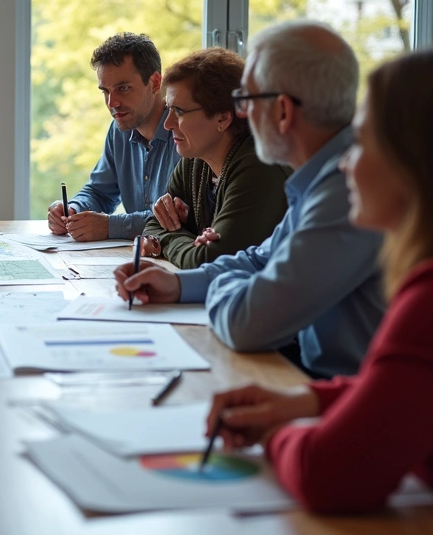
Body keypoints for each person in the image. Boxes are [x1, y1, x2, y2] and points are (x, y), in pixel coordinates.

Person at [205, 47, 433, 534]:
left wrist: (278, 431)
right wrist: (306, 402)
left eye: (361, 143)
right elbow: (413, 390)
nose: (345, 165)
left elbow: (330, 477)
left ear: (420, 162)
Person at [114, 20, 385, 378]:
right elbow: (260, 260)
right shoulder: (321, 179)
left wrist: (221, 278)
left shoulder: (347, 191)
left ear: (283, 111)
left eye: (247, 100)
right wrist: (179, 284)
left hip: (334, 392)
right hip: (312, 382)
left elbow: (246, 324)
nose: (243, 114)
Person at [141, 48, 290, 269]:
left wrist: (164, 242)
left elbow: (210, 261)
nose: (167, 124)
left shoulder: (260, 168)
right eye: (169, 110)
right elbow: (154, 225)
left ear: (223, 118)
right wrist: (184, 241)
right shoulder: (195, 159)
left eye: (179, 112)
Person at [47, 32, 182, 241]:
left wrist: (112, 226)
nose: (112, 103)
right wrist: (72, 210)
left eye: (123, 88)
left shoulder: (186, 131)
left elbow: (179, 218)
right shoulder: (119, 129)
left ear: (155, 83)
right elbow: (100, 192)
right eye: (105, 91)